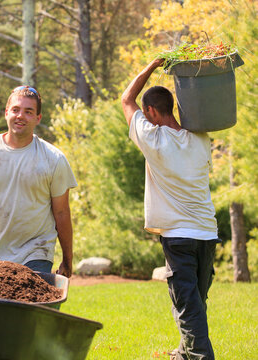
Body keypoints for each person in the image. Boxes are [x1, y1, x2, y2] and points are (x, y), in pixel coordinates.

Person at [121, 59, 219, 360]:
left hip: (178, 237)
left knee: (188, 306)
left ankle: (200, 357)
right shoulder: (201, 139)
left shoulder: (153, 139)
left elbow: (126, 99)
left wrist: (152, 65)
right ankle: (183, 354)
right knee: (195, 303)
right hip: (206, 232)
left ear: (150, 112)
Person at [0, 86, 77, 277]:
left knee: (28, 305)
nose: (21, 116)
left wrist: (68, 260)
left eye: (29, 112)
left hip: (35, 253)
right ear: (6, 113)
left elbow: (61, 212)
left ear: (38, 118)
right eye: (16, 110)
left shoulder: (53, 159)